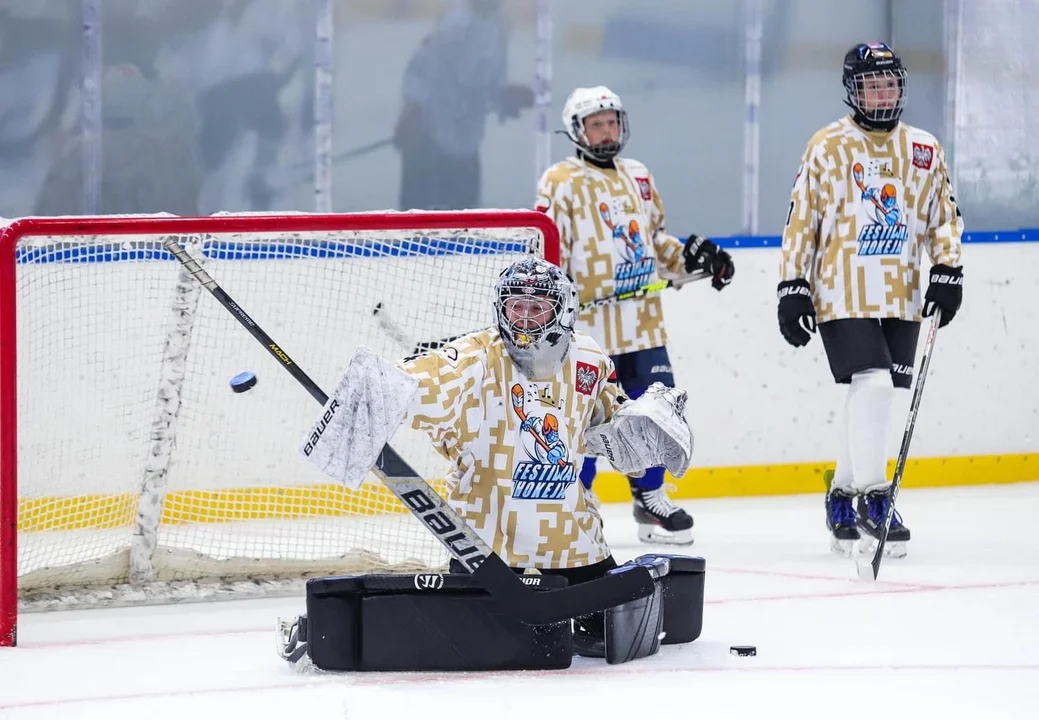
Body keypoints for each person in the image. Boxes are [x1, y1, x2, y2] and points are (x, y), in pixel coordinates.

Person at [394, 257, 692, 655]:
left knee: (608, 638)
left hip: (569, 535)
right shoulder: (477, 357)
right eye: (515, 305)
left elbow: (610, 419)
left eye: (537, 307)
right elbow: (426, 379)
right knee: (488, 646)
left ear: (563, 309)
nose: (525, 318)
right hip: (487, 542)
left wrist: (640, 424)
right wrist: (385, 388)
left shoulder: (588, 358)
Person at [777, 42, 964, 559]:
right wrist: (792, 285)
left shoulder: (923, 148)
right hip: (841, 288)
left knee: (871, 396)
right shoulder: (827, 145)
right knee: (876, 387)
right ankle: (875, 499)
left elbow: (942, 216)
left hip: (900, 292)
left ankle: (840, 494)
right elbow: (801, 220)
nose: (882, 94)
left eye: (889, 84)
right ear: (852, 90)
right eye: (871, 85)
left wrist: (947, 267)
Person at [535, 86, 735, 545]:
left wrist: (694, 257)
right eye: (596, 124)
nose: (606, 131)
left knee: (653, 410)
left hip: (642, 323)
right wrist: (555, 302)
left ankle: (650, 499)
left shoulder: (638, 176)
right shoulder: (559, 180)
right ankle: (577, 503)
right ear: (576, 130)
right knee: (584, 415)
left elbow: (656, 242)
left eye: (611, 122)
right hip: (586, 329)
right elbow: (547, 249)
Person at [393, 0, 533, 210]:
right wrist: (412, 111)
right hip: (428, 138)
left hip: (465, 141)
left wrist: (504, 96)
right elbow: (421, 70)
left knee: (464, 224)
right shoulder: (455, 24)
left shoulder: (501, 25)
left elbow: (484, 81)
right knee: (419, 227)